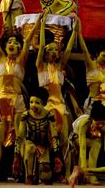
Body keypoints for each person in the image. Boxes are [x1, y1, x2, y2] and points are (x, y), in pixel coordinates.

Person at [0, 9, 41, 147]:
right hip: (1, 99)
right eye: (10, 42)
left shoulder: (21, 60)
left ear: (20, 48)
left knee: (19, 136)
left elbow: (27, 41)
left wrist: (38, 23)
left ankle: (18, 162)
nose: (12, 44)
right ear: (5, 46)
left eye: (15, 43)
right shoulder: (1, 59)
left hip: (17, 100)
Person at [36, 12, 77, 145]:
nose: (54, 52)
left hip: (60, 105)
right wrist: (42, 26)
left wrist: (75, 31)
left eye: (55, 49)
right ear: (46, 53)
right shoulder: (40, 66)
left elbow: (69, 48)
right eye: (51, 50)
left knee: (64, 139)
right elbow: (41, 46)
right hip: (45, 106)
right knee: (46, 141)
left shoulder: (60, 67)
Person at [13, 88, 63, 184]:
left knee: (46, 177)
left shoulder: (49, 116)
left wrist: (57, 156)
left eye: (37, 103)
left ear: (43, 104)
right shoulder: (26, 115)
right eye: (31, 102)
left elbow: (54, 137)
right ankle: (29, 175)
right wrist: (16, 156)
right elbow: (20, 137)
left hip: (44, 146)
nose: (33, 105)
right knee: (30, 148)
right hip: (30, 143)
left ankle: (41, 171)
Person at [71, 101, 105, 185]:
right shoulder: (84, 124)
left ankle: (91, 175)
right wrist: (83, 167)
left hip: (92, 140)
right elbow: (82, 147)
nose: (100, 125)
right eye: (98, 123)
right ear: (91, 119)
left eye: (102, 123)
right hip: (76, 138)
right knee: (95, 144)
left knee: (97, 143)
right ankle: (84, 174)